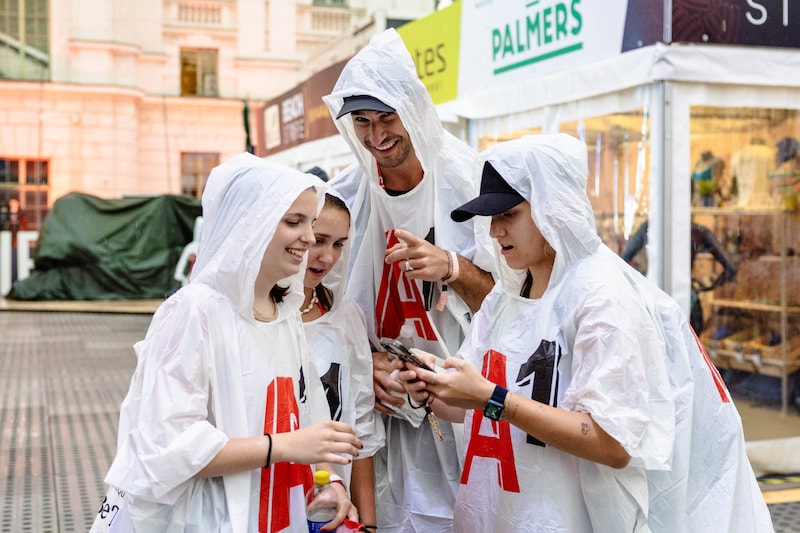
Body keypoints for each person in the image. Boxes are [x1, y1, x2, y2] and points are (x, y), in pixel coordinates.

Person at [398, 134, 773, 532]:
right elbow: (471, 406)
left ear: (551, 207)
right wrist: (433, 386)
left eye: (508, 214)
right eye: (490, 218)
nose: (494, 232)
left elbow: (612, 442)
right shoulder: (505, 299)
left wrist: (494, 400)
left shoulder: (601, 296)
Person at [101, 153, 362, 532]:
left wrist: (331, 479)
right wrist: (286, 446)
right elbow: (168, 448)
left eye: (310, 222)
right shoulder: (195, 312)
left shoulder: (283, 312)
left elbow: (308, 417)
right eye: (294, 222)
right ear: (250, 224)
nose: (308, 237)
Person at [322, 28, 496, 532]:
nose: (376, 137)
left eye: (387, 118)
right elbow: (314, 306)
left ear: (414, 109)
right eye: (362, 122)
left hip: (468, 410)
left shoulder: (472, 183)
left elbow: (520, 303)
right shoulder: (345, 200)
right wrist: (363, 365)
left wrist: (454, 267)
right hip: (384, 413)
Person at [300, 192, 385, 529]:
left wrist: (369, 526)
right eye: (318, 241)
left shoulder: (345, 315)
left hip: (334, 512)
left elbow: (360, 429)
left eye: (339, 244)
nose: (327, 257)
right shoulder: (258, 320)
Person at [620, 219, 738, 334]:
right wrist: (702, 288)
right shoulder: (696, 231)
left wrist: (643, 285)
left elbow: (621, 263)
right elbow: (731, 269)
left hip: (656, 303)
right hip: (687, 303)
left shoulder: (649, 228)